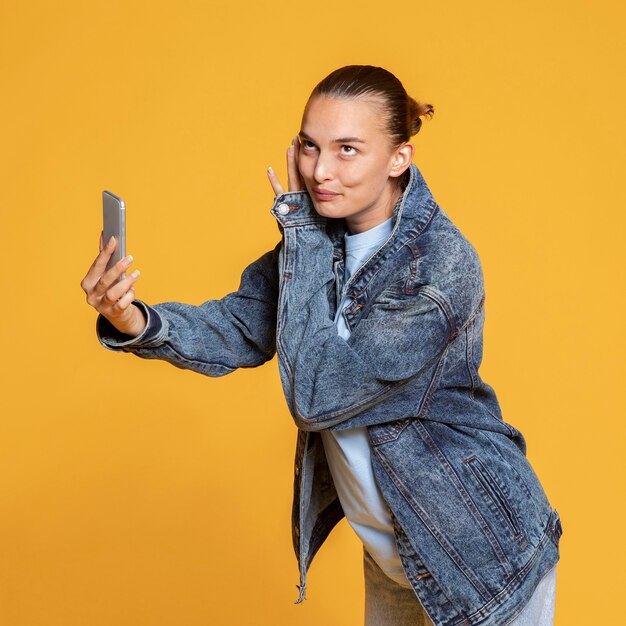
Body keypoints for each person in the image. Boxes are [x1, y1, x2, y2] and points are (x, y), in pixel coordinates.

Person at [80, 65, 562, 626]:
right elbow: (241, 325)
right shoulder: (320, 242)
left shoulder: (438, 267)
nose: (319, 171)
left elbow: (317, 395)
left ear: (398, 158)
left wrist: (301, 234)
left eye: (348, 149)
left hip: (480, 555)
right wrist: (131, 317)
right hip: (399, 555)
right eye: (309, 146)